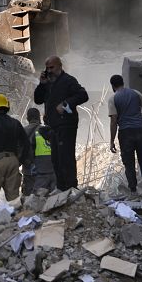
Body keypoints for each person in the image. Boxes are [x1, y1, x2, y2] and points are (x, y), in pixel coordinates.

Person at [33, 56, 89, 191]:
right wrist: (41, 84)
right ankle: (61, 188)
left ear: (59, 66)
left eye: (52, 67)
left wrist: (66, 104)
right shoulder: (48, 83)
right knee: (56, 159)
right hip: (53, 127)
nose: (49, 71)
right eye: (47, 68)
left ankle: (71, 188)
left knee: (66, 157)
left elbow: (83, 95)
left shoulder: (68, 81)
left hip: (66, 125)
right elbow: (38, 100)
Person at [108, 75, 142, 200]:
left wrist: (111, 141)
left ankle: (133, 192)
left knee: (129, 163)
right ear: (123, 83)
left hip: (125, 134)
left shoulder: (113, 98)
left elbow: (114, 121)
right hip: (141, 131)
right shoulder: (136, 93)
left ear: (113, 86)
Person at [21, 108, 42, 196]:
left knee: (28, 196)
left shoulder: (22, 131)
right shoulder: (45, 130)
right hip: (43, 169)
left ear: (27, 118)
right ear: (39, 117)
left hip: (28, 169)